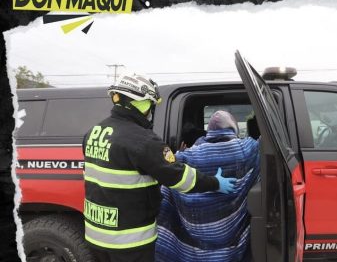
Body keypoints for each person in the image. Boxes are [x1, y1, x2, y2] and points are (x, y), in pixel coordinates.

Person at [82, 73, 237, 262]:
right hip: (129, 242)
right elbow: (180, 178)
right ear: (143, 104)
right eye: (151, 105)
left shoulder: (94, 132)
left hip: (96, 235)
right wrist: (215, 183)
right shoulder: (144, 140)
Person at [156, 110, 260, 262]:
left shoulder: (189, 155)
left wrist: (179, 153)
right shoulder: (245, 150)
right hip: (233, 240)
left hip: (192, 242)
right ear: (233, 128)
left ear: (209, 131)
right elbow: (267, 145)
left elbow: (169, 167)